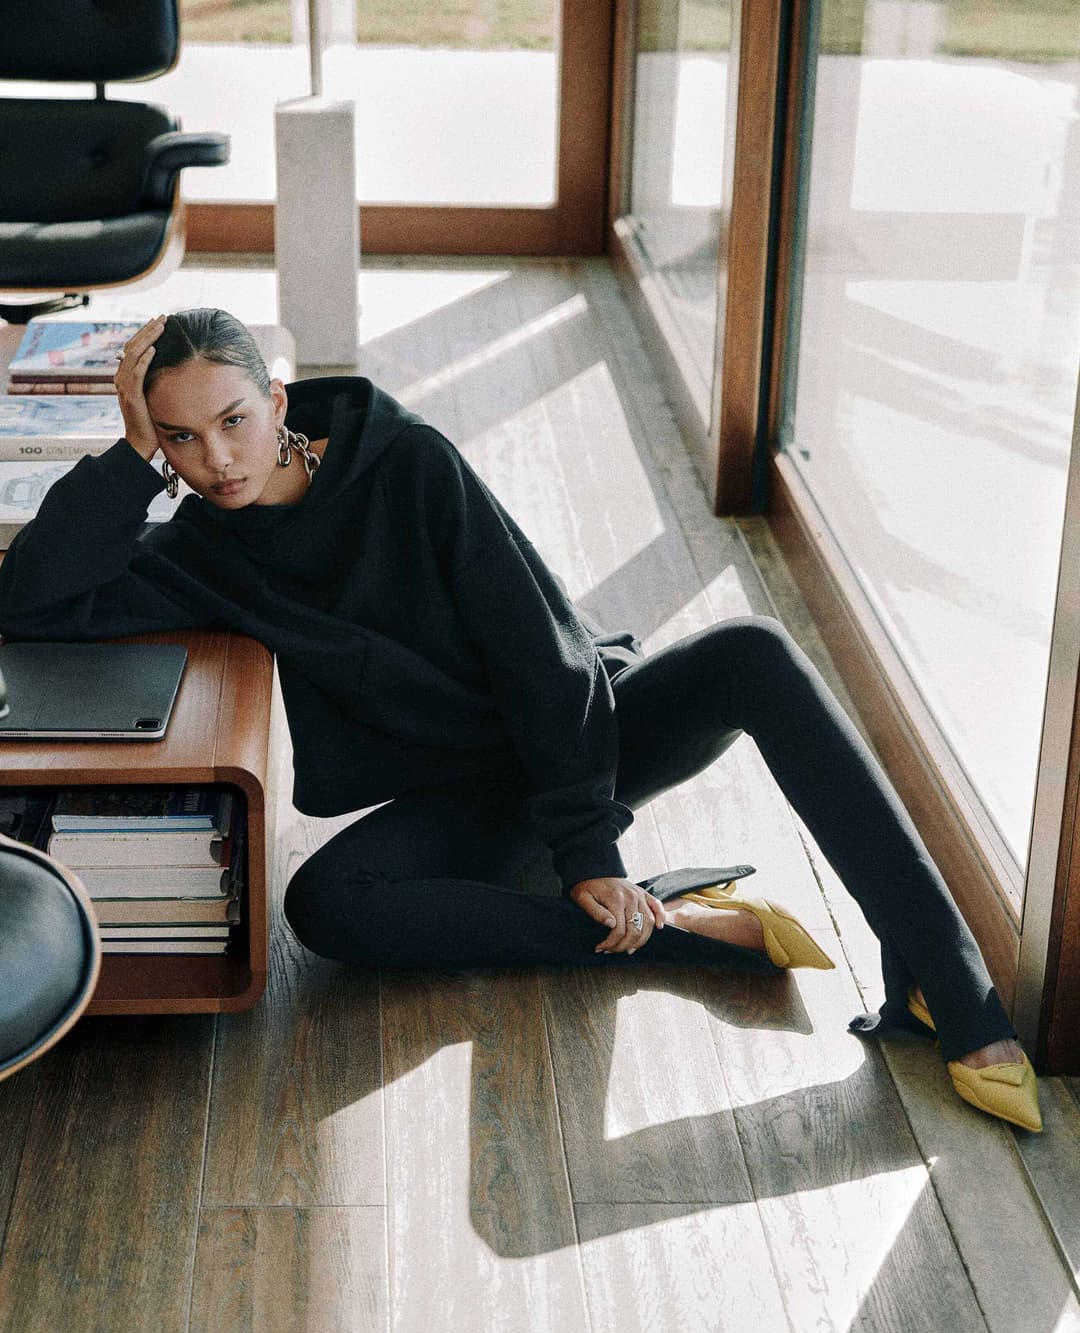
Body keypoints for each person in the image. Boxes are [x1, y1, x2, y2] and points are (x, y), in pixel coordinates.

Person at [0, 308, 1041, 1133]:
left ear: (279, 402)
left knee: (752, 652)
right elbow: (30, 600)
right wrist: (128, 459)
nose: (216, 459)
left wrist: (588, 845)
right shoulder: (197, 550)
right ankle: (682, 935)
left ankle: (950, 985)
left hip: (584, 729)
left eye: (233, 420)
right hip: (472, 790)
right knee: (326, 909)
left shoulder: (403, 462)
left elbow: (538, 653)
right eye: (179, 438)